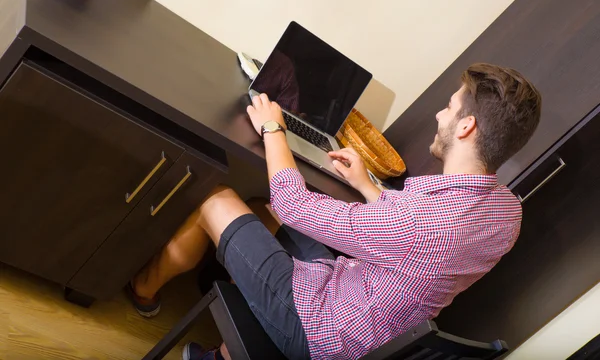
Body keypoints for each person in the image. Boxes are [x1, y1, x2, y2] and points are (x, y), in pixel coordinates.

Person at [129, 63, 542, 359]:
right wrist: (367, 186)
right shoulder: (507, 213)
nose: (439, 114)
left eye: (449, 108)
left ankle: (143, 293)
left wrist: (274, 128)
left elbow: (297, 207)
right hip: (367, 326)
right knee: (264, 207)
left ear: (467, 127)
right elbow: (418, 239)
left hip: (318, 334)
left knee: (216, 198)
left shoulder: (422, 225)